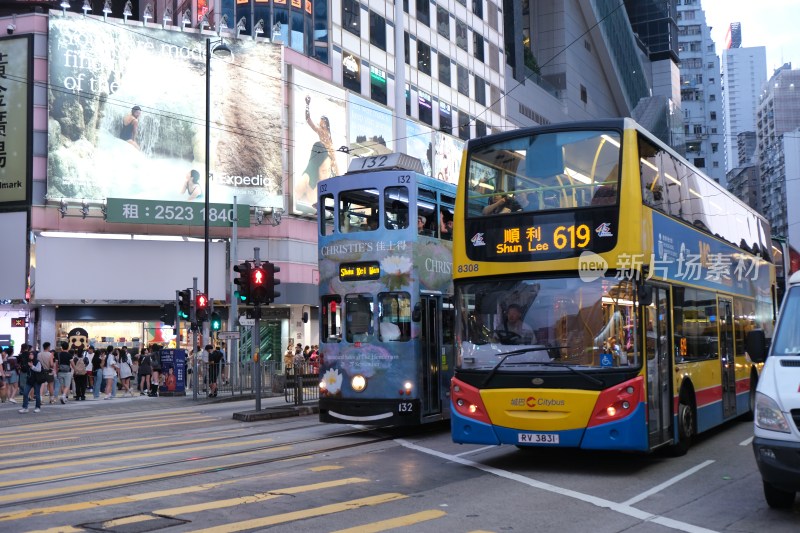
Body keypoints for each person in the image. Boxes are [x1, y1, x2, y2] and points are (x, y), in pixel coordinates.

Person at [305, 95, 340, 177]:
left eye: (322, 121)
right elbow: (309, 120)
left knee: (335, 174)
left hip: (331, 156)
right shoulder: (321, 131)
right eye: (321, 121)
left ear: (326, 123)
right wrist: (307, 106)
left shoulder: (328, 132)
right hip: (326, 156)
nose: (321, 123)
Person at [297, 141, 333, 207]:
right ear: (315, 168)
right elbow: (292, 202)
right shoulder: (305, 179)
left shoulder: (328, 184)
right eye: (324, 171)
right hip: (304, 216)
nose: (327, 175)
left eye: (329, 170)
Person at [17, 349, 43, 413]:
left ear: (34, 355)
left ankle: (37, 407)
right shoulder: (28, 361)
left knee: (37, 394)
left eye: (32, 354)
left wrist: (32, 366)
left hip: (36, 380)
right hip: (29, 380)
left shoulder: (37, 362)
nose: (30, 355)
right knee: (25, 393)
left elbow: (39, 370)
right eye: (30, 354)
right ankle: (25, 407)